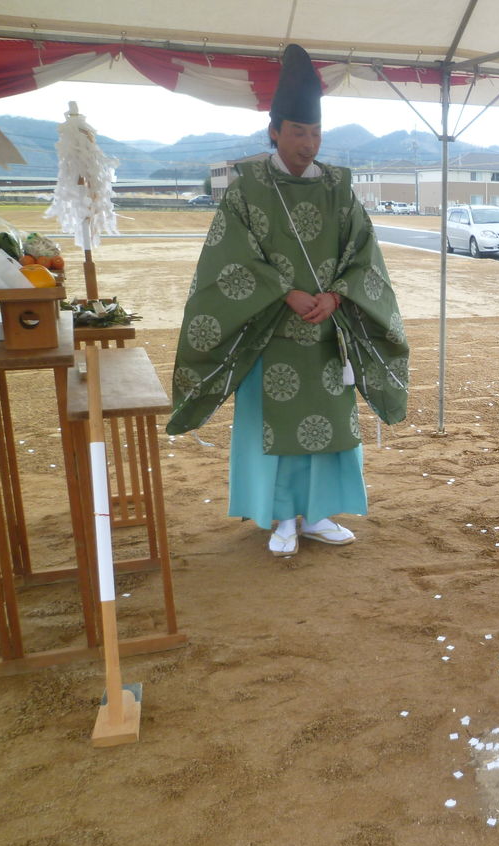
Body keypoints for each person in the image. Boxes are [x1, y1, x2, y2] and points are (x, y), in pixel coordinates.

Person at [166, 44, 409, 556]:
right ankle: (280, 518)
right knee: (272, 433)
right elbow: (229, 260)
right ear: (274, 130)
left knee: (329, 430)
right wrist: (287, 292)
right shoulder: (247, 187)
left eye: (316, 133)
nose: (308, 143)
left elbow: (363, 255)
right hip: (268, 333)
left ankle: (318, 514)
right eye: (298, 131)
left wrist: (338, 297)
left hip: (325, 335)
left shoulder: (340, 188)